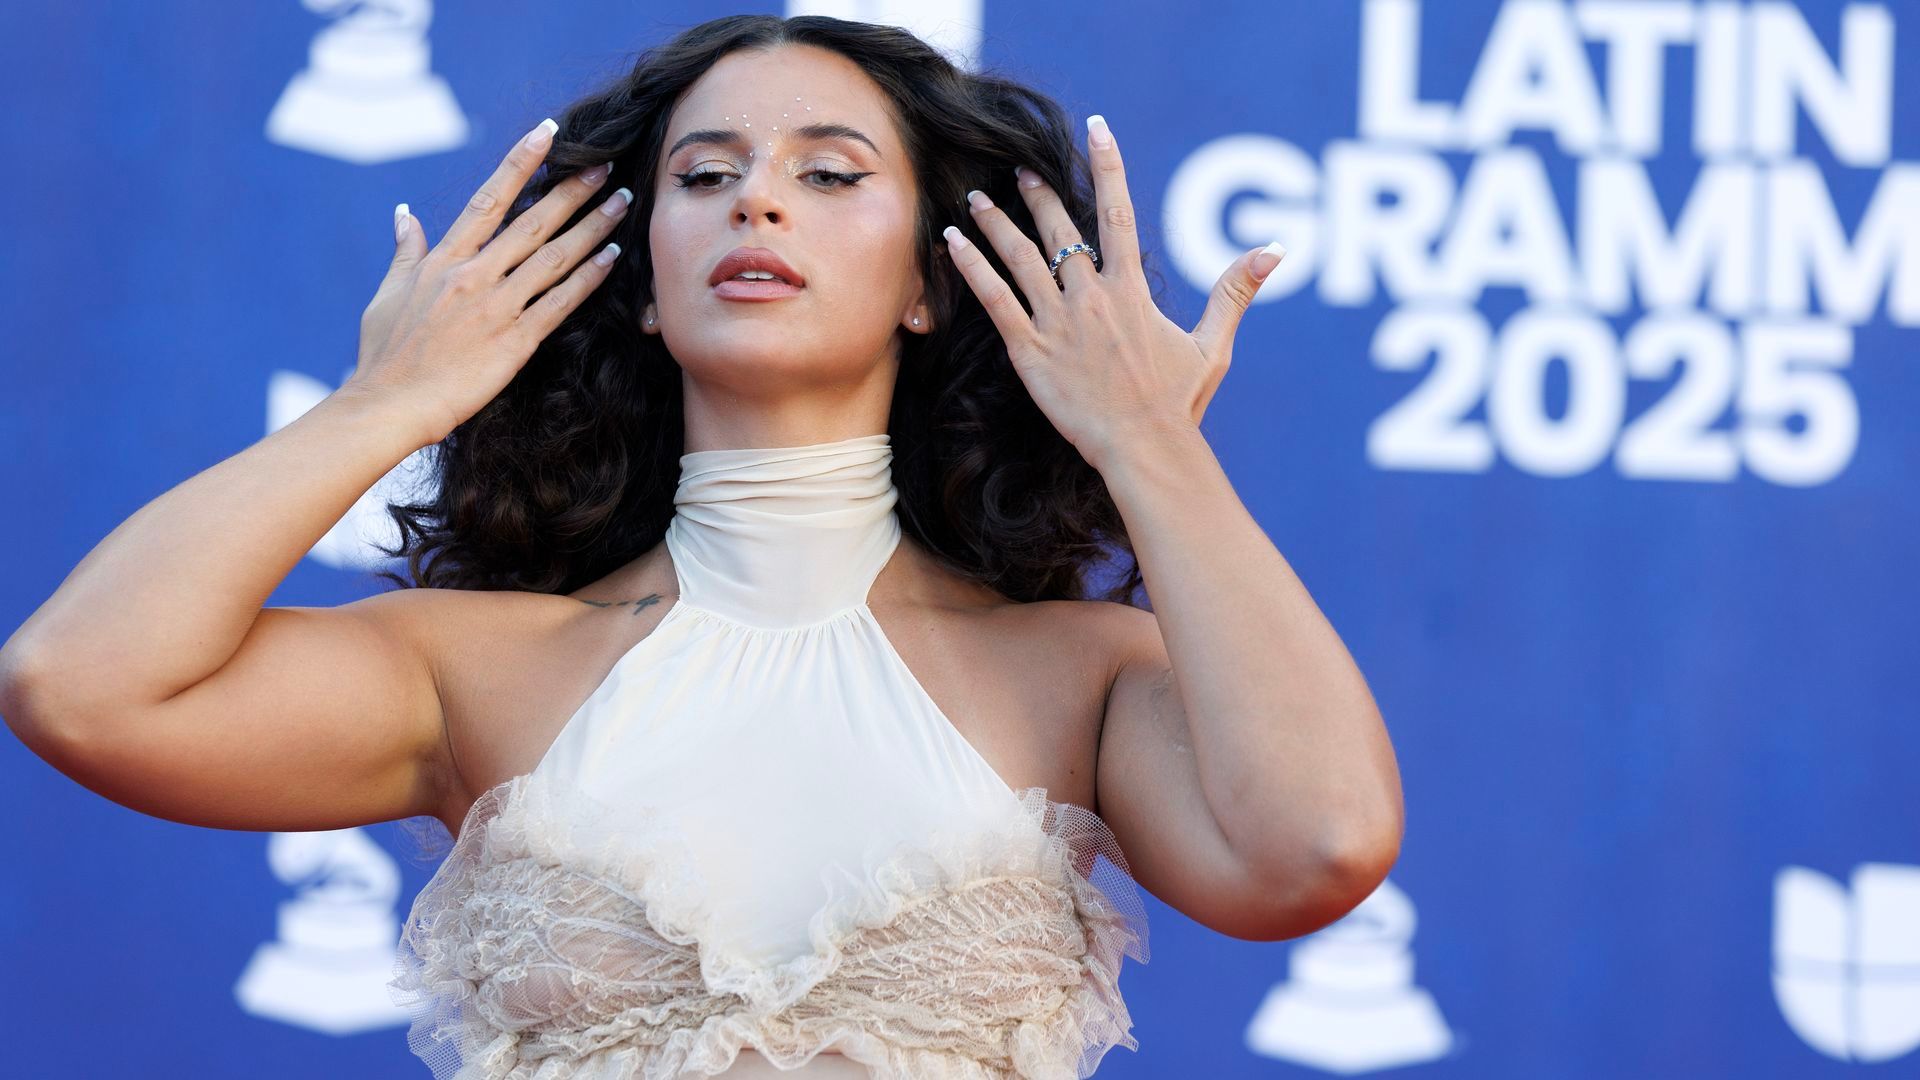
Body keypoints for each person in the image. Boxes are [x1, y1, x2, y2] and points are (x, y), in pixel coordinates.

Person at [0, 13, 1403, 1079]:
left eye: (831, 173)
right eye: (706, 173)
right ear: (649, 287)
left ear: (929, 283)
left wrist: (1150, 441)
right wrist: (388, 403)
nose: (758, 201)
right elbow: (80, 687)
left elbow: (1316, 848)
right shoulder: (474, 670)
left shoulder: (1077, 674)